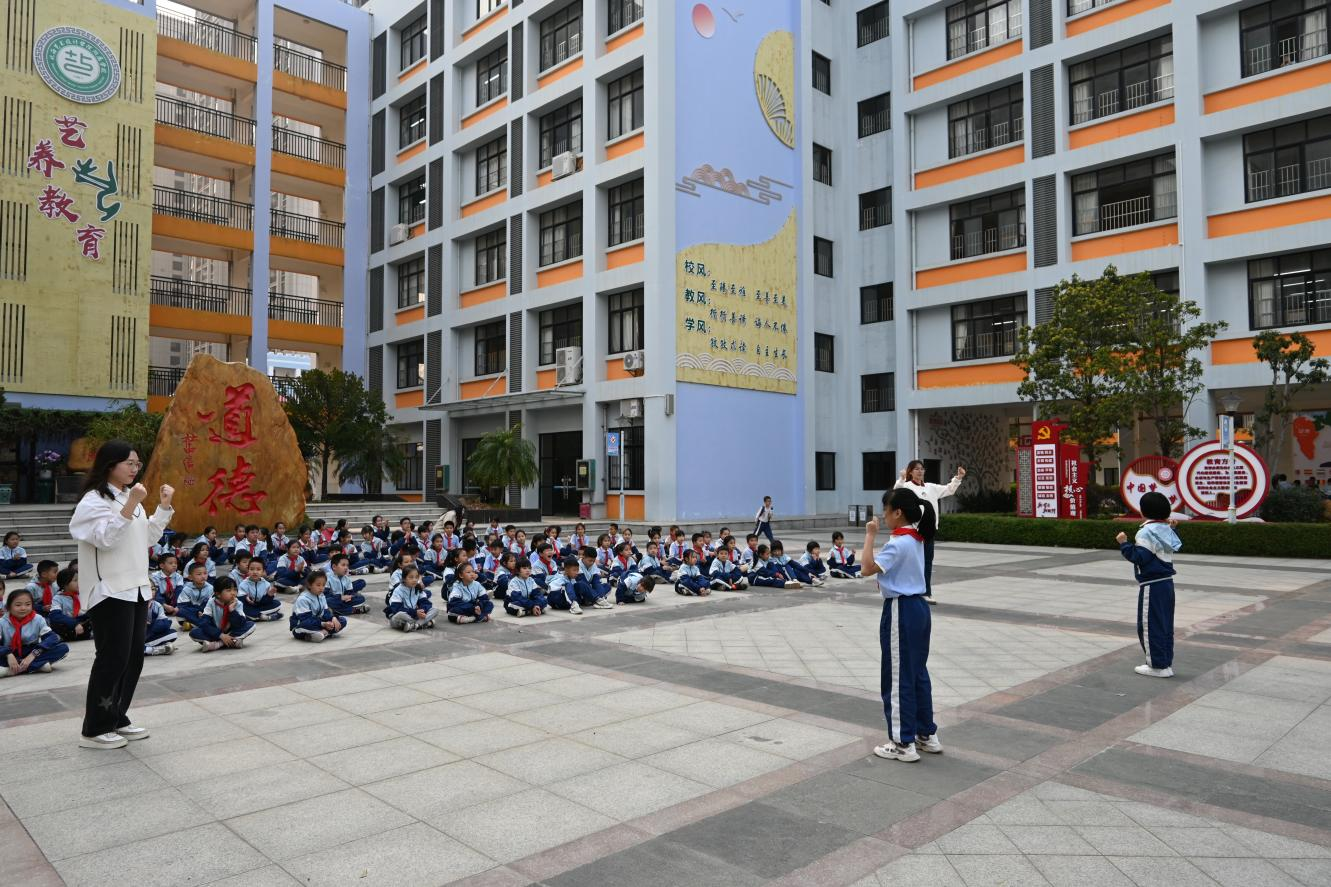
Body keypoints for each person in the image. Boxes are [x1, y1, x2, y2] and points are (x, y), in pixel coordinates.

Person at [68, 441, 174, 750]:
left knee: (133, 657)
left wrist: (163, 508)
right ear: (110, 464)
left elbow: (146, 538)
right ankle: (95, 728)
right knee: (112, 658)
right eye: (129, 463)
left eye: (137, 464)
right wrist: (131, 504)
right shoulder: (93, 500)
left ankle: (116, 715)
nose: (134, 468)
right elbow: (105, 539)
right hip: (110, 589)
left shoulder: (132, 498)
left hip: (136, 588)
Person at [861, 487, 941, 763]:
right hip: (918, 608)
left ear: (898, 512)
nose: (883, 516)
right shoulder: (916, 538)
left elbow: (866, 568)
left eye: (886, 510)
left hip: (901, 610)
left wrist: (870, 535)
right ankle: (925, 734)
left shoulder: (899, 543)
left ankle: (902, 742)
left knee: (897, 677)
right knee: (917, 672)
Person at [1116, 491, 1181, 679]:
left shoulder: (1145, 531)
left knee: (1149, 626)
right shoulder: (1166, 528)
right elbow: (1173, 545)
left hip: (1152, 585)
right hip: (1167, 584)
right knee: (1165, 625)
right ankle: (1165, 663)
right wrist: (1173, 527)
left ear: (1143, 511)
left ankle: (1157, 666)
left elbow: (1140, 557)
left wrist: (1124, 543)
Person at [894, 461, 967, 603]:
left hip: (929, 532)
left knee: (927, 563)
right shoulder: (907, 487)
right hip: (913, 532)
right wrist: (901, 479)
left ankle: (926, 592)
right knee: (913, 563)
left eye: (922, 469)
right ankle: (909, 590)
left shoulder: (931, 487)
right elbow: (896, 493)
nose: (920, 471)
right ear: (910, 472)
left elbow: (949, 489)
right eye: (916, 469)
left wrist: (958, 477)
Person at [2, 586, 69, 677]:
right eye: (18, 605)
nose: (23, 608)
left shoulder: (37, 619)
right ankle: (38, 666)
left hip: (31, 651)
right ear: (9, 607)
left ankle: (11, 670)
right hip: (9, 653)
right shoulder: (2, 622)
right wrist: (8, 654)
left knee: (63, 648)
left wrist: (33, 654)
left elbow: (52, 637)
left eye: (28, 604)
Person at [189, 577, 256, 652]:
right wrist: (220, 635)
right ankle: (233, 642)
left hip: (232, 632)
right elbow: (204, 622)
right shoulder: (211, 602)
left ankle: (218, 644)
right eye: (228, 590)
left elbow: (240, 624)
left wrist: (232, 611)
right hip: (215, 632)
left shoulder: (238, 603)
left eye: (235, 589)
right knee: (194, 632)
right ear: (218, 594)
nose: (233, 593)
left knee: (251, 625)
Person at [290, 571, 348, 643]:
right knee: (306, 625)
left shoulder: (321, 596)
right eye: (318, 585)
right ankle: (325, 633)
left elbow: (326, 612)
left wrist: (333, 618)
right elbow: (305, 619)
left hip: (318, 622)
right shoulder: (303, 599)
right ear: (309, 585)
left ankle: (322, 633)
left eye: (323, 585)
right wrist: (323, 624)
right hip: (302, 626)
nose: (321, 588)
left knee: (342, 620)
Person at [385, 566, 438, 631]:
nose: (414, 580)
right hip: (403, 617)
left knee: (434, 610)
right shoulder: (398, 590)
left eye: (416, 577)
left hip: (415, 615)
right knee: (399, 615)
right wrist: (415, 612)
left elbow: (426, 603)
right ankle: (423, 623)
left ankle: (414, 625)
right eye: (411, 577)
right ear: (404, 579)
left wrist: (422, 611)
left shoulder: (418, 588)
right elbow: (396, 609)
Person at [47, 568, 91, 641]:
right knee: (55, 621)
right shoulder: (58, 598)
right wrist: (74, 624)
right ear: (65, 583)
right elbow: (55, 615)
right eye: (75, 580)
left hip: (82, 623)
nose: (79, 582)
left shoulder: (83, 594)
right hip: (68, 625)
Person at [175, 562, 213, 629]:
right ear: (190, 577)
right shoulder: (186, 589)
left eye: (205, 573)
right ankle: (201, 624)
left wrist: (204, 611)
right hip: (192, 612)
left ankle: (194, 624)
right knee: (179, 611)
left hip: (205, 612)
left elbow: (212, 604)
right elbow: (182, 606)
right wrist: (196, 611)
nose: (203, 576)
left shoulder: (210, 588)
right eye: (199, 574)